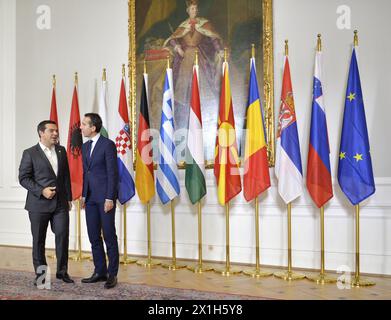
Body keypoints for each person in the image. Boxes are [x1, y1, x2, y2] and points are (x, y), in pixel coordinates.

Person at [18, 120, 74, 286]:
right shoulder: (29, 153)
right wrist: (42, 190)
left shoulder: (61, 150)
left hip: (60, 204)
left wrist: (69, 198)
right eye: (51, 131)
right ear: (41, 133)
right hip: (38, 204)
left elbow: (66, 177)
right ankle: (41, 276)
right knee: (39, 240)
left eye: (56, 130)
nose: (55, 133)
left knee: (63, 236)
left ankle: (62, 272)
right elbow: (23, 178)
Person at [163, 0, 224, 131]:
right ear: (188, 10)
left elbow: (213, 38)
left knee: (201, 82)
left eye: (196, 9)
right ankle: (183, 111)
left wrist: (219, 49)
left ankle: (200, 107)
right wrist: (177, 47)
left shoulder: (204, 24)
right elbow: (173, 38)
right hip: (185, 59)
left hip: (199, 57)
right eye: (192, 9)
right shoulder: (183, 25)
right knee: (183, 85)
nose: (194, 11)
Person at [80, 113, 119, 289]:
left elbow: (113, 173)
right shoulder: (84, 146)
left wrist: (110, 197)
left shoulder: (108, 145)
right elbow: (85, 173)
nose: (81, 127)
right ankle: (100, 271)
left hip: (105, 199)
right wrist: (82, 194)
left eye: (84, 124)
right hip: (89, 199)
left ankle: (112, 274)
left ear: (93, 127)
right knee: (93, 236)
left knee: (109, 236)